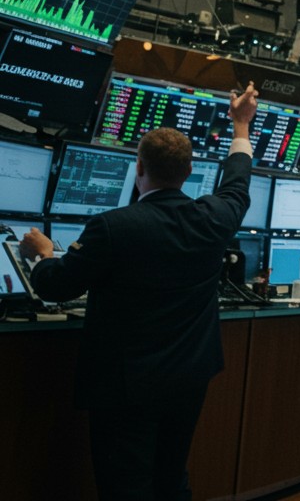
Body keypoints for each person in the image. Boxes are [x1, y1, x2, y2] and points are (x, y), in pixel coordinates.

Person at [20, 82, 258, 501]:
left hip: (126, 386)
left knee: (125, 486)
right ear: (189, 171)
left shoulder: (113, 226)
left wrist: (42, 256)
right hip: (189, 378)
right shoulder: (215, 217)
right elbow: (237, 182)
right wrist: (241, 125)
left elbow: (57, 286)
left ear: (139, 167)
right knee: (171, 478)